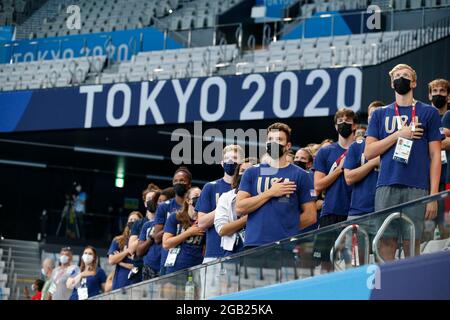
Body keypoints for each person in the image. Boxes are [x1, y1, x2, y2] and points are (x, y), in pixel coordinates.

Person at [365, 64, 443, 261]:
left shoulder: (428, 113)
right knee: (386, 243)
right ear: (392, 83)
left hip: (417, 187)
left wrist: (433, 196)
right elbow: (369, 152)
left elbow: (435, 156)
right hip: (386, 185)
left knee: (412, 243)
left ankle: (410, 288)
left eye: (406, 75)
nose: (401, 78)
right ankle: (388, 288)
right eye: (397, 76)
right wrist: (398, 135)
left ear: (414, 82)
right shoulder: (380, 114)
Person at [236, 122, 317, 247]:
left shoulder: (301, 175)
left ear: (288, 146)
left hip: (285, 246)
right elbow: (240, 207)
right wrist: (271, 192)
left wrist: (286, 230)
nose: (273, 143)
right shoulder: (251, 172)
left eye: (279, 139)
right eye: (270, 139)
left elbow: (311, 216)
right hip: (254, 244)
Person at [312, 108, 357, 271]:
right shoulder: (325, 152)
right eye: (340, 121)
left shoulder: (361, 148)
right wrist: (339, 169)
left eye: (347, 121)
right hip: (331, 210)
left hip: (355, 210)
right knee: (325, 260)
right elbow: (318, 185)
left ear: (355, 126)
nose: (343, 124)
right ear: (335, 126)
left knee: (352, 260)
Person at [344, 101, 384, 219]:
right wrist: (372, 163)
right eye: (372, 114)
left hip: (385, 211)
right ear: (368, 118)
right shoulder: (356, 146)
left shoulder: (393, 144)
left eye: (378, 113)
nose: (375, 117)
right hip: (359, 211)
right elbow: (349, 178)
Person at [154, 167, 192, 275]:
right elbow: (157, 238)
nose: (178, 183)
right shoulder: (163, 207)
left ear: (189, 184)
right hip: (168, 260)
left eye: (182, 181)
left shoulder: (194, 205)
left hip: (191, 259)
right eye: (175, 181)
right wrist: (172, 226)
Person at [215, 159, 257, 256]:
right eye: (242, 171)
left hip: (258, 250)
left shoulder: (262, 196)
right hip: (232, 251)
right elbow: (222, 230)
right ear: (237, 174)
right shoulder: (226, 197)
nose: (246, 174)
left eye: (249, 171)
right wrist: (248, 219)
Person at [162, 187, 204, 274]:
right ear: (188, 200)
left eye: (201, 196)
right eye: (196, 196)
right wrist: (188, 233)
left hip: (196, 268)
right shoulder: (175, 217)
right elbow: (166, 244)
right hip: (175, 268)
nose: (200, 199)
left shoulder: (204, 221)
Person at [128, 183, 161, 282]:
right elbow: (131, 249)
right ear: (145, 203)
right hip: (141, 268)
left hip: (158, 267)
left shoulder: (163, 221)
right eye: (149, 199)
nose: (152, 201)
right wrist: (147, 237)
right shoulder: (139, 223)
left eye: (154, 199)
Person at [430, 79, 450, 239]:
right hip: (427, 181)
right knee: (426, 231)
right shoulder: (423, 117)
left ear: (448, 97)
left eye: (442, 91)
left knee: (446, 229)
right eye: (434, 91)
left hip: (447, 179)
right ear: (429, 95)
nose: (438, 94)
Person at [107, 211, 143, 290]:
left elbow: (137, 267)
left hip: (136, 286)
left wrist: (120, 262)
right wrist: (127, 251)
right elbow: (111, 260)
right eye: (130, 219)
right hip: (119, 286)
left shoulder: (143, 241)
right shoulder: (118, 240)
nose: (132, 222)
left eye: (135, 220)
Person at [136, 191, 163, 280]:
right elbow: (139, 252)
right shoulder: (147, 225)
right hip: (148, 269)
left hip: (165, 268)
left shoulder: (172, 222)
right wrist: (151, 237)